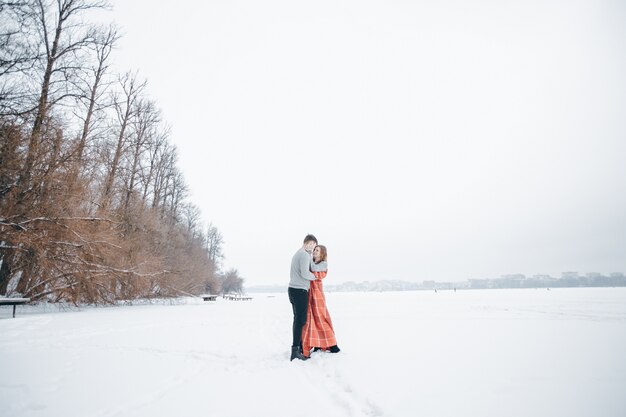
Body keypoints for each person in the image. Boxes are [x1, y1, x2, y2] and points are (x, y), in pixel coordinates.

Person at [301, 245, 340, 357]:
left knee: (321, 318)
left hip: (317, 294)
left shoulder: (323, 264)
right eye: (314, 250)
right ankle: (317, 344)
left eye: (317, 250)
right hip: (310, 293)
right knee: (311, 319)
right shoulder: (312, 263)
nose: (314, 252)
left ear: (322, 254)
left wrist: (307, 257)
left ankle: (332, 344)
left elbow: (312, 270)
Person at [288, 234, 318, 361]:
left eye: (314, 245)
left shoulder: (299, 253)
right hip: (299, 291)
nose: (312, 247)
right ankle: (295, 350)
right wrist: (315, 277)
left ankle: (298, 347)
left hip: (293, 290)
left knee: (298, 320)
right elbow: (305, 273)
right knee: (300, 321)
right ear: (305, 243)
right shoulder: (304, 255)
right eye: (310, 244)